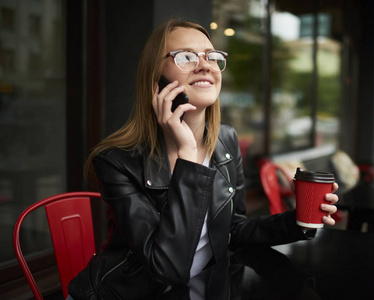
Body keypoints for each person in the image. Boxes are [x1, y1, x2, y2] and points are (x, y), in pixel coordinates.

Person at [67, 18, 339, 299]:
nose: (205, 65)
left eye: (212, 56)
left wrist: (298, 221)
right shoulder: (116, 161)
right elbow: (168, 268)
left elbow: (234, 228)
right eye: (185, 56)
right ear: (155, 79)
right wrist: (187, 156)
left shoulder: (226, 140)